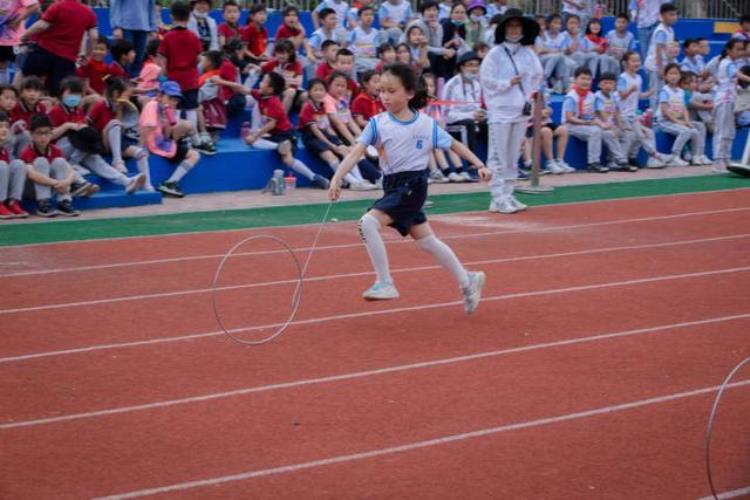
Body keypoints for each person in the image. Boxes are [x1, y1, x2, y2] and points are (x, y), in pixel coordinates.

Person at [328, 62, 490, 312]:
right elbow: (355, 152)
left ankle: (385, 282)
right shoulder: (377, 123)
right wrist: (337, 178)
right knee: (427, 241)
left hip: (413, 184)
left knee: (367, 223)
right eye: (382, 91)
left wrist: (479, 164)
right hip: (392, 186)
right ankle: (467, 279)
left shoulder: (424, 124)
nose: (385, 96)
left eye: (391, 91)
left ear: (410, 93)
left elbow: (455, 145)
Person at [480, 9, 543, 214]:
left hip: (520, 111)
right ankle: (497, 197)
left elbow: (537, 76)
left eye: (518, 26)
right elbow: (486, 80)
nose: (515, 30)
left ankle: (508, 194)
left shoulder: (528, 53)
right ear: (504, 28)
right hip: (499, 110)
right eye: (511, 26)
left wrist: (529, 95)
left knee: (513, 154)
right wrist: (507, 83)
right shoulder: (495, 53)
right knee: (498, 155)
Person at [299, 78, 376, 191]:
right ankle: (353, 182)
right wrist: (332, 145)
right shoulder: (307, 108)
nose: (319, 92)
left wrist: (337, 141)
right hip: (312, 138)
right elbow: (316, 131)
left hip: (325, 134)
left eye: (321, 90)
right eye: (315, 90)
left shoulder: (322, 105)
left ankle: (360, 180)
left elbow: (327, 127)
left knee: (346, 150)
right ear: (309, 92)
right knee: (331, 156)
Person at [158, 1, 213, 154]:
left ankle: (175, 139)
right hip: (191, 80)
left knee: (174, 111)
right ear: (189, 17)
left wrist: (163, 75)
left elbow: (163, 60)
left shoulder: (168, 37)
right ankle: (193, 140)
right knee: (191, 110)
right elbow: (199, 58)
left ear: (171, 17)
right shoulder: (193, 36)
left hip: (173, 81)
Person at [87, 77, 154, 189]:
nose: (128, 98)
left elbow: (122, 129)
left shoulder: (122, 107)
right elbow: (88, 123)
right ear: (116, 93)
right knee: (115, 123)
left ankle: (147, 185)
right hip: (102, 141)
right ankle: (117, 162)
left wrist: (120, 111)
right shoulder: (101, 104)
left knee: (141, 153)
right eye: (126, 95)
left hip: (119, 141)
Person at [21, 0, 98, 96]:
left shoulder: (58, 6)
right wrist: (88, 54)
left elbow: (42, 25)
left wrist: (24, 36)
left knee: (28, 83)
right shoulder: (89, 13)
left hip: (44, 51)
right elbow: (94, 36)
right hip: (66, 59)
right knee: (58, 92)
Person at [139, 80, 201, 198]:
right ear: (161, 95)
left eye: (176, 99)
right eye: (171, 98)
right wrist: (141, 148)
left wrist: (167, 121)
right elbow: (146, 127)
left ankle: (196, 143)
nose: (173, 102)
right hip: (155, 145)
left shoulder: (167, 109)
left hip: (163, 141)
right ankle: (170, 183)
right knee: (195, 155)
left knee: (188, 125)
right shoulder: (152, 105)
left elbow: (167, 134)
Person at [563, 67, 622, 173]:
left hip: (586, 123)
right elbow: (569, 118)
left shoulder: (591, 96)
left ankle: (620, 160)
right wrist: (587, 123)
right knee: (595, 131)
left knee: (608, 133)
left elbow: (592, 115)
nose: (586, 82)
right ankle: (593, 163)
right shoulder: (571, 97)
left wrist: (602, 124)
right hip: (571, 126)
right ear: (575, 80)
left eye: (588, 79)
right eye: (583, 78)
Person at [617, 51, 669, 168]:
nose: (636, 63)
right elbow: (621, 95)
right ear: (626, 63)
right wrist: (630, 90)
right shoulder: (622, 78)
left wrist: (647, 94)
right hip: (623, 115)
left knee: (644, 134)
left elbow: (638, 95)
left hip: (633, 114)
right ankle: (656, 155)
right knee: (638, 135)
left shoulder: (639, 78)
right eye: (633, 61)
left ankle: (638, 157)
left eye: (638, 61)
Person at [22, 114, 79, 217]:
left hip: (55, 187)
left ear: (51, 133)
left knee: (60, 161)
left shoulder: (55, 149)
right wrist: (56, 183)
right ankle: (43, 203)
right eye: (39, 133)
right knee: (41, 161)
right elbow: (31, 174)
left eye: (47, 133)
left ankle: (64, 201)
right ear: (31, 134)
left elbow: (71, 170)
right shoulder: (28, 151)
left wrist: (66, 182)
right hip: (31, 189)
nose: (43, 137)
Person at [442, 50, 485, 172]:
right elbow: (446, 115)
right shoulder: (451, 85)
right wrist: (472, 115)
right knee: (468, 124)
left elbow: (477, 108)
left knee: (490, 123)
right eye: (470, 65)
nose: (474, 69)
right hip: (453, 124)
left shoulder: (476, 85)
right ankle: (471, 165)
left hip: (470, 120)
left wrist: (481, 114)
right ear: (461, 67)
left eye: (476, 65)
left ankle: (493, 163)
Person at [713, 38, 750, 173]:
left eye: (742, 49)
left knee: (730, 132)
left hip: (730, 101)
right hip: (724, 100)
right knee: (722, 131)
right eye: (737, 49)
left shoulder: (731, 63)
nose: (740, 52)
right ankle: (718, 161)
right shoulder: (726, 63)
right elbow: (738, 75)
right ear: (729, 50)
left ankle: (726, 159)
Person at [655, 63, 702, 167]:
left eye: (676, 73)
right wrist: (678, 122)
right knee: (685, 131)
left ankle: (695, 156)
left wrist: (687, 121)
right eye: (671, 73)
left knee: (694, 131)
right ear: (666, 76)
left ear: (680, 76)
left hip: (676, 120)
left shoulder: (681, 92)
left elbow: (683, 108)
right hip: (664, 121)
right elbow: (664, 111)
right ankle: (674, 156)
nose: (673, 76)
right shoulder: (665, 91)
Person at [594, 72, 634, 171]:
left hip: (610, 125)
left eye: (610, 83)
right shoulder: (597, 97)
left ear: (614, 85)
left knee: (627, 135)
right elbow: (601, 114)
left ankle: (618, 161)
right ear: (599, 84)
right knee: (610, 134)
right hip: (600, 126)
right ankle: (619, 161)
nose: (608, 86)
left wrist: (621, 126)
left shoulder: (613, 96)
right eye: (605, 83)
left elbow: (616, 112)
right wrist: (612, 128)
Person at [644, 2, 678, 109]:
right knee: (655, 93)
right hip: (655, 66)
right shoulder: (661, 31)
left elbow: (668, 50)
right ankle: (654, 118)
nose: (674, 17)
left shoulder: (670, 30)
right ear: (662, 16)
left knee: (662, 92)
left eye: (675, 14)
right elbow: (658, 50)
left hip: (664, 65)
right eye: (671, 14)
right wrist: (660, 69)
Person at [110, 0, 156, 77]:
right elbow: (115, 3)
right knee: (124, 60)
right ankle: (122, 85)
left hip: (143, 27)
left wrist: (153, 28)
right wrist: (116, 26)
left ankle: (134, 85)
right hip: (125, 27)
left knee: (139, 61)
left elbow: (151, 7)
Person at [0, 0, 39, 86]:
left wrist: (17, 20)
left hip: (15, 38)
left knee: (19, 68)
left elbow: (34, 6)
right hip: (2, 38)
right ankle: (5, 95)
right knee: (2, 67)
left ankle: (14, 95)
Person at [0, 110, 27, 219]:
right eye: (0, 126)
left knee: (18, 164)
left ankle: (13, 202)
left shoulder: (4, 149)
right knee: (2, 165)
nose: (4, 129)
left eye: (6, 126)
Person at [538, 14, 570, 94]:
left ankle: (562, 85)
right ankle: (544, 80)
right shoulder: (542, 34)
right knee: (558, 56)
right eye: (555, 23)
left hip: (556, 58)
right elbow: (539, 50)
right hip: (541, 59)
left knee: (562, 58)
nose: (558, 25)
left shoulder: (563, 37)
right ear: (548, 24)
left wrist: (551, 51)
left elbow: (563, 50)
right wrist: (553, 51)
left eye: (559, 23)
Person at [349, 5, 381, 74]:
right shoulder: (355, 32)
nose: (369, 17)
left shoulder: (376, 32)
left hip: (371, 59)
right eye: (366, 15)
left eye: (371, 15)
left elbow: (376, 49)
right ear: (359, 17)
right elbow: (347, 47)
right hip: (358, 59)